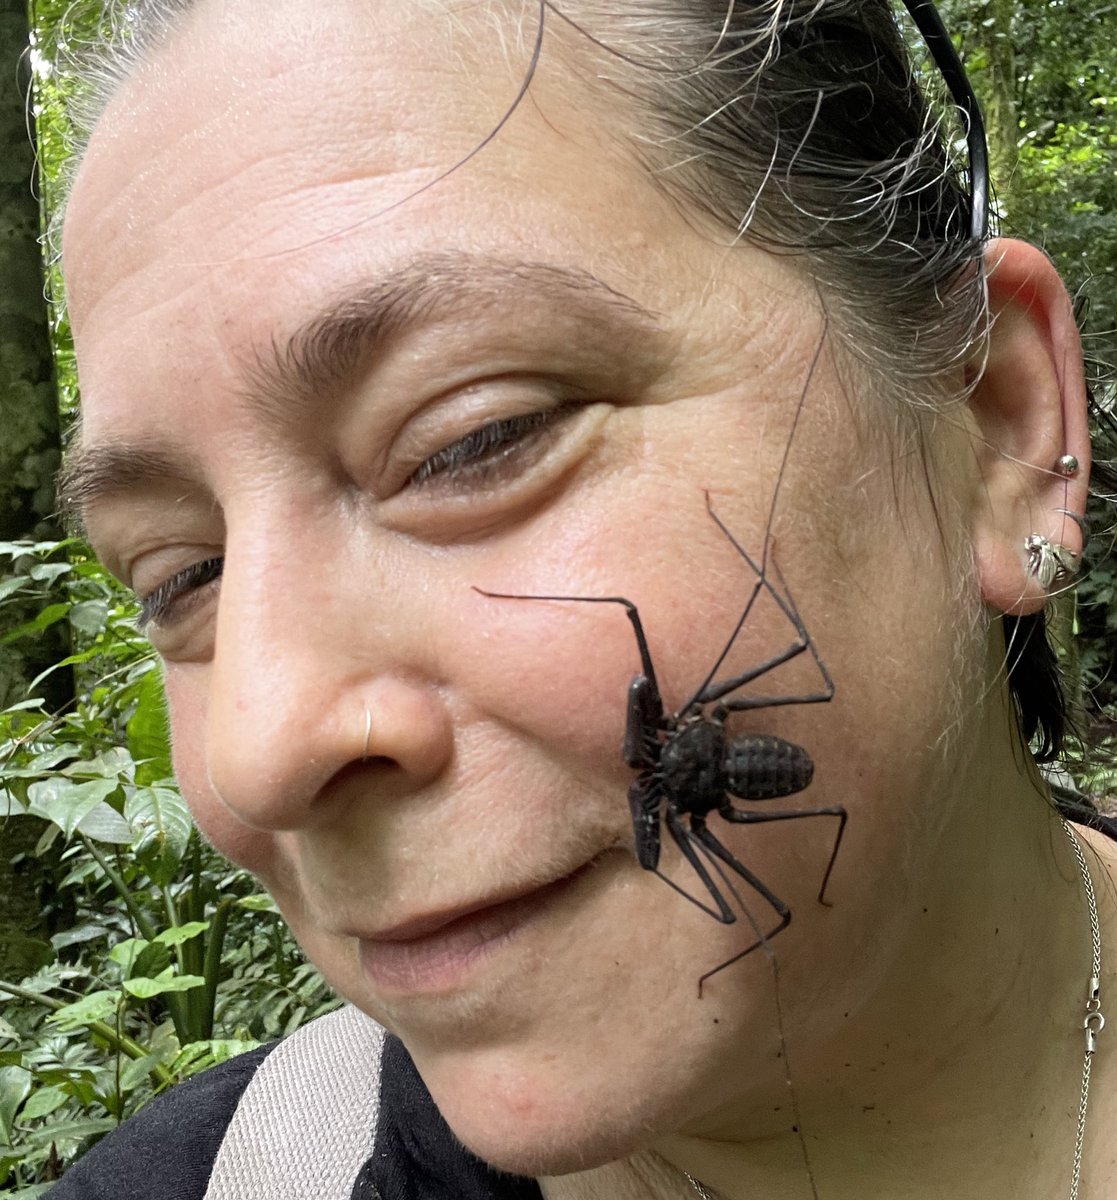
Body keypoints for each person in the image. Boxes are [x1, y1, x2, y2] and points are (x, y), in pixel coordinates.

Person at [47, 0, 1116, 1196]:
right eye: (181, 575)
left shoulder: (680, 754)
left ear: (992, 428)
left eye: (476, 438)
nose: (260, 751)